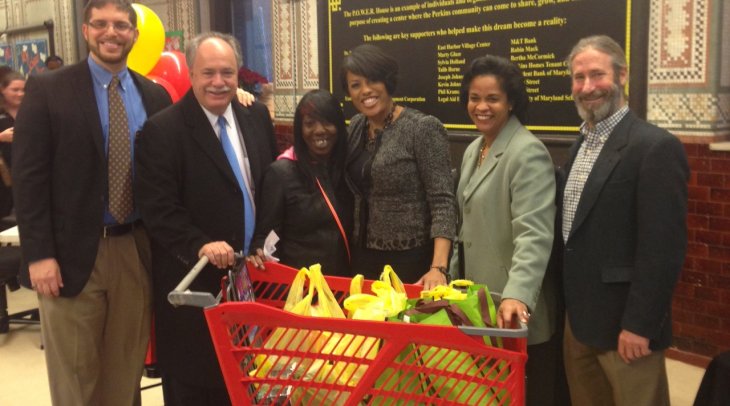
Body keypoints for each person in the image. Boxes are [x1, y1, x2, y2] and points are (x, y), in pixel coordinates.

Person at [11, 0, 172, 404]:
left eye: (121, 25)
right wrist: (39, 255)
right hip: (68, 256)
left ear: (135, 34)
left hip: (135, 250)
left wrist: (239, 96)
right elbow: (29, 180)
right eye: (100, 24)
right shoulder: (48, 89)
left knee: (124, 373)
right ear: (85, 31)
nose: (111, 33)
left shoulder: (154, 96)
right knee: (76, 378)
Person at [135, 32, 277, 405]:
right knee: (198, 387)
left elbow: (269, 188)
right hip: (197, 286)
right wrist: (199, 244)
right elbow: (158, 209)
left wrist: (263, 239)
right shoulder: (162, 130)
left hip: (254, 282)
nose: (218, 82)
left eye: (227, 73)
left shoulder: (256, 116)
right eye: (208, 72)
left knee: (250, 384)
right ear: (192, 73)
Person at [560, 35, 689, 405]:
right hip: (580, 324)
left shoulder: (655, 147)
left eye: (597, 75)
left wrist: (640, 325)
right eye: (578, 77)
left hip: (625, 330)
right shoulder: (579, 144)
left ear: (622, 76)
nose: (587, 87)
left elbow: (662, 249)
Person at [447, 55, 558, 405]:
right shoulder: (473, 150)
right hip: (477, 302)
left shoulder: (527, 153)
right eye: (474, 98)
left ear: (511, 101)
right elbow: (462, 224)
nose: (481, 107)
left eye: (492, 98)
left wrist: (518, 295)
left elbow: (534, 234)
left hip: (510, 306)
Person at [341, 44, 456, 288]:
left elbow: (443, 202)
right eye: (355, 85)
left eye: (373, 80)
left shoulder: (421, 128)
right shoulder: (356, 126)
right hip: (362, 259)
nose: (366, 91)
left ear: (387, 81)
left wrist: (439, 267)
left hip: (411, 261)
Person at [247, 89, 353, 275]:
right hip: (302, 287)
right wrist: (259, 253)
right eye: (310, 124)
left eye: (328, 122)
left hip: (345, 282)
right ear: (299, 129)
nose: (320, 130)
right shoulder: (281, 173)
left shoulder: (348, 165)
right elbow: (266, 235)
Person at [0, 71, 24, 219]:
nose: (20, 94)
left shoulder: (31, 111)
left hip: (25, 175)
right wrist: (1, 137)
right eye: (15, 90)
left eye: (23, 90)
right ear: (3, 90)